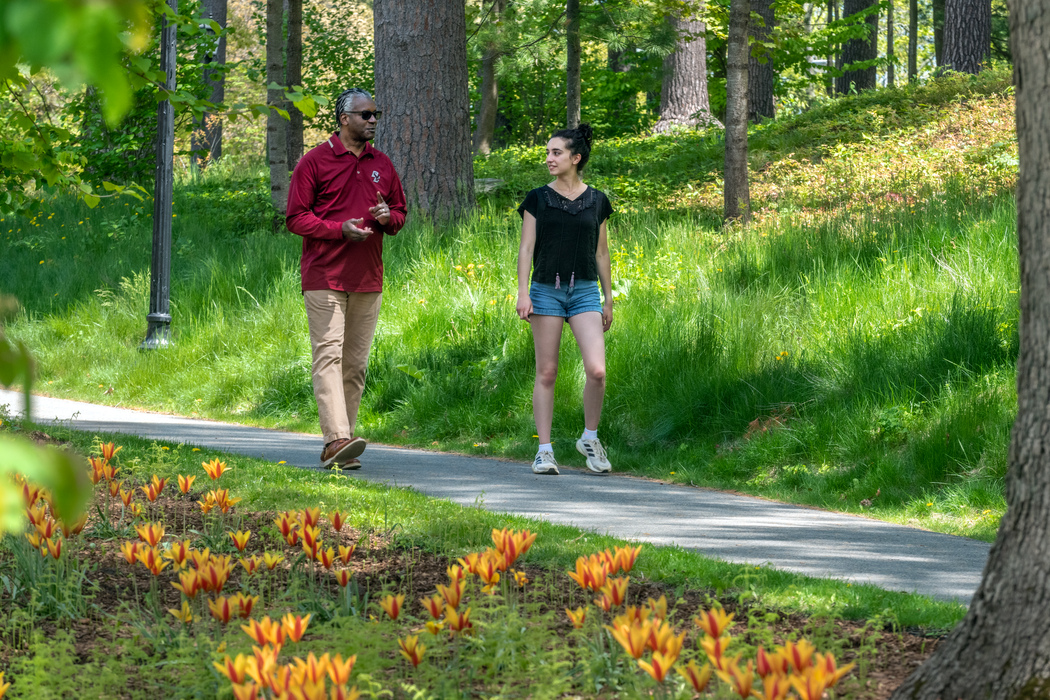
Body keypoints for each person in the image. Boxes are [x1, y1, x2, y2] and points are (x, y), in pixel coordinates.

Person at [286, 88, 406, 469]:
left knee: (354, 364)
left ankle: (341, 446)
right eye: (366, 114)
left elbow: (400, 214)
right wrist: (339, 229)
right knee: (328, 356)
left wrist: (388, 217)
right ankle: (337, 438)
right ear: (344, 119)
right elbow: (296, 218)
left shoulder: (382, 164)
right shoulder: (314, 162)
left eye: (376, 114)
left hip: (368, 277)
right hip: (324, 275)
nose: (373, 120)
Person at [516, 123, 614, 475]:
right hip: (545, 291)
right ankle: (544, 450)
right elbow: (526, 247)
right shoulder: (537, 198)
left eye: (556, 152)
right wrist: (523, 292)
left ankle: (590, 438)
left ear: (576, 157)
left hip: (586, 291)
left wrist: (608, 299)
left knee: (598, 371)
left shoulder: (598, 200)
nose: (549, 158)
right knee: (547, 371)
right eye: (547, 152)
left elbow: (601, 253)